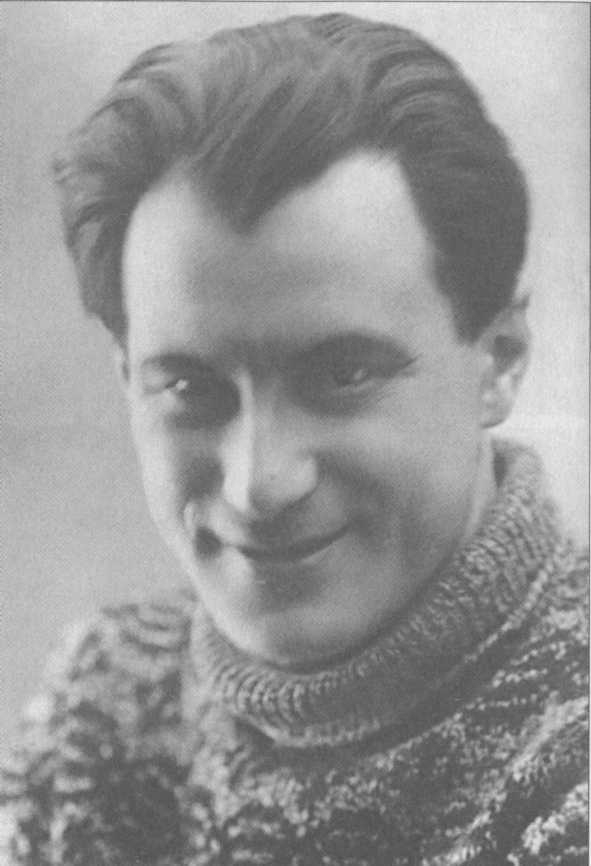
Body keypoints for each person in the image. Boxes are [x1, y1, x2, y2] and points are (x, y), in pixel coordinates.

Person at [1, 12, 587, 866]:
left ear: (497, 358)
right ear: (127, 378)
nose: (258, 484)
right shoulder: (106, 707)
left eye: (341, 375)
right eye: (191, 389)